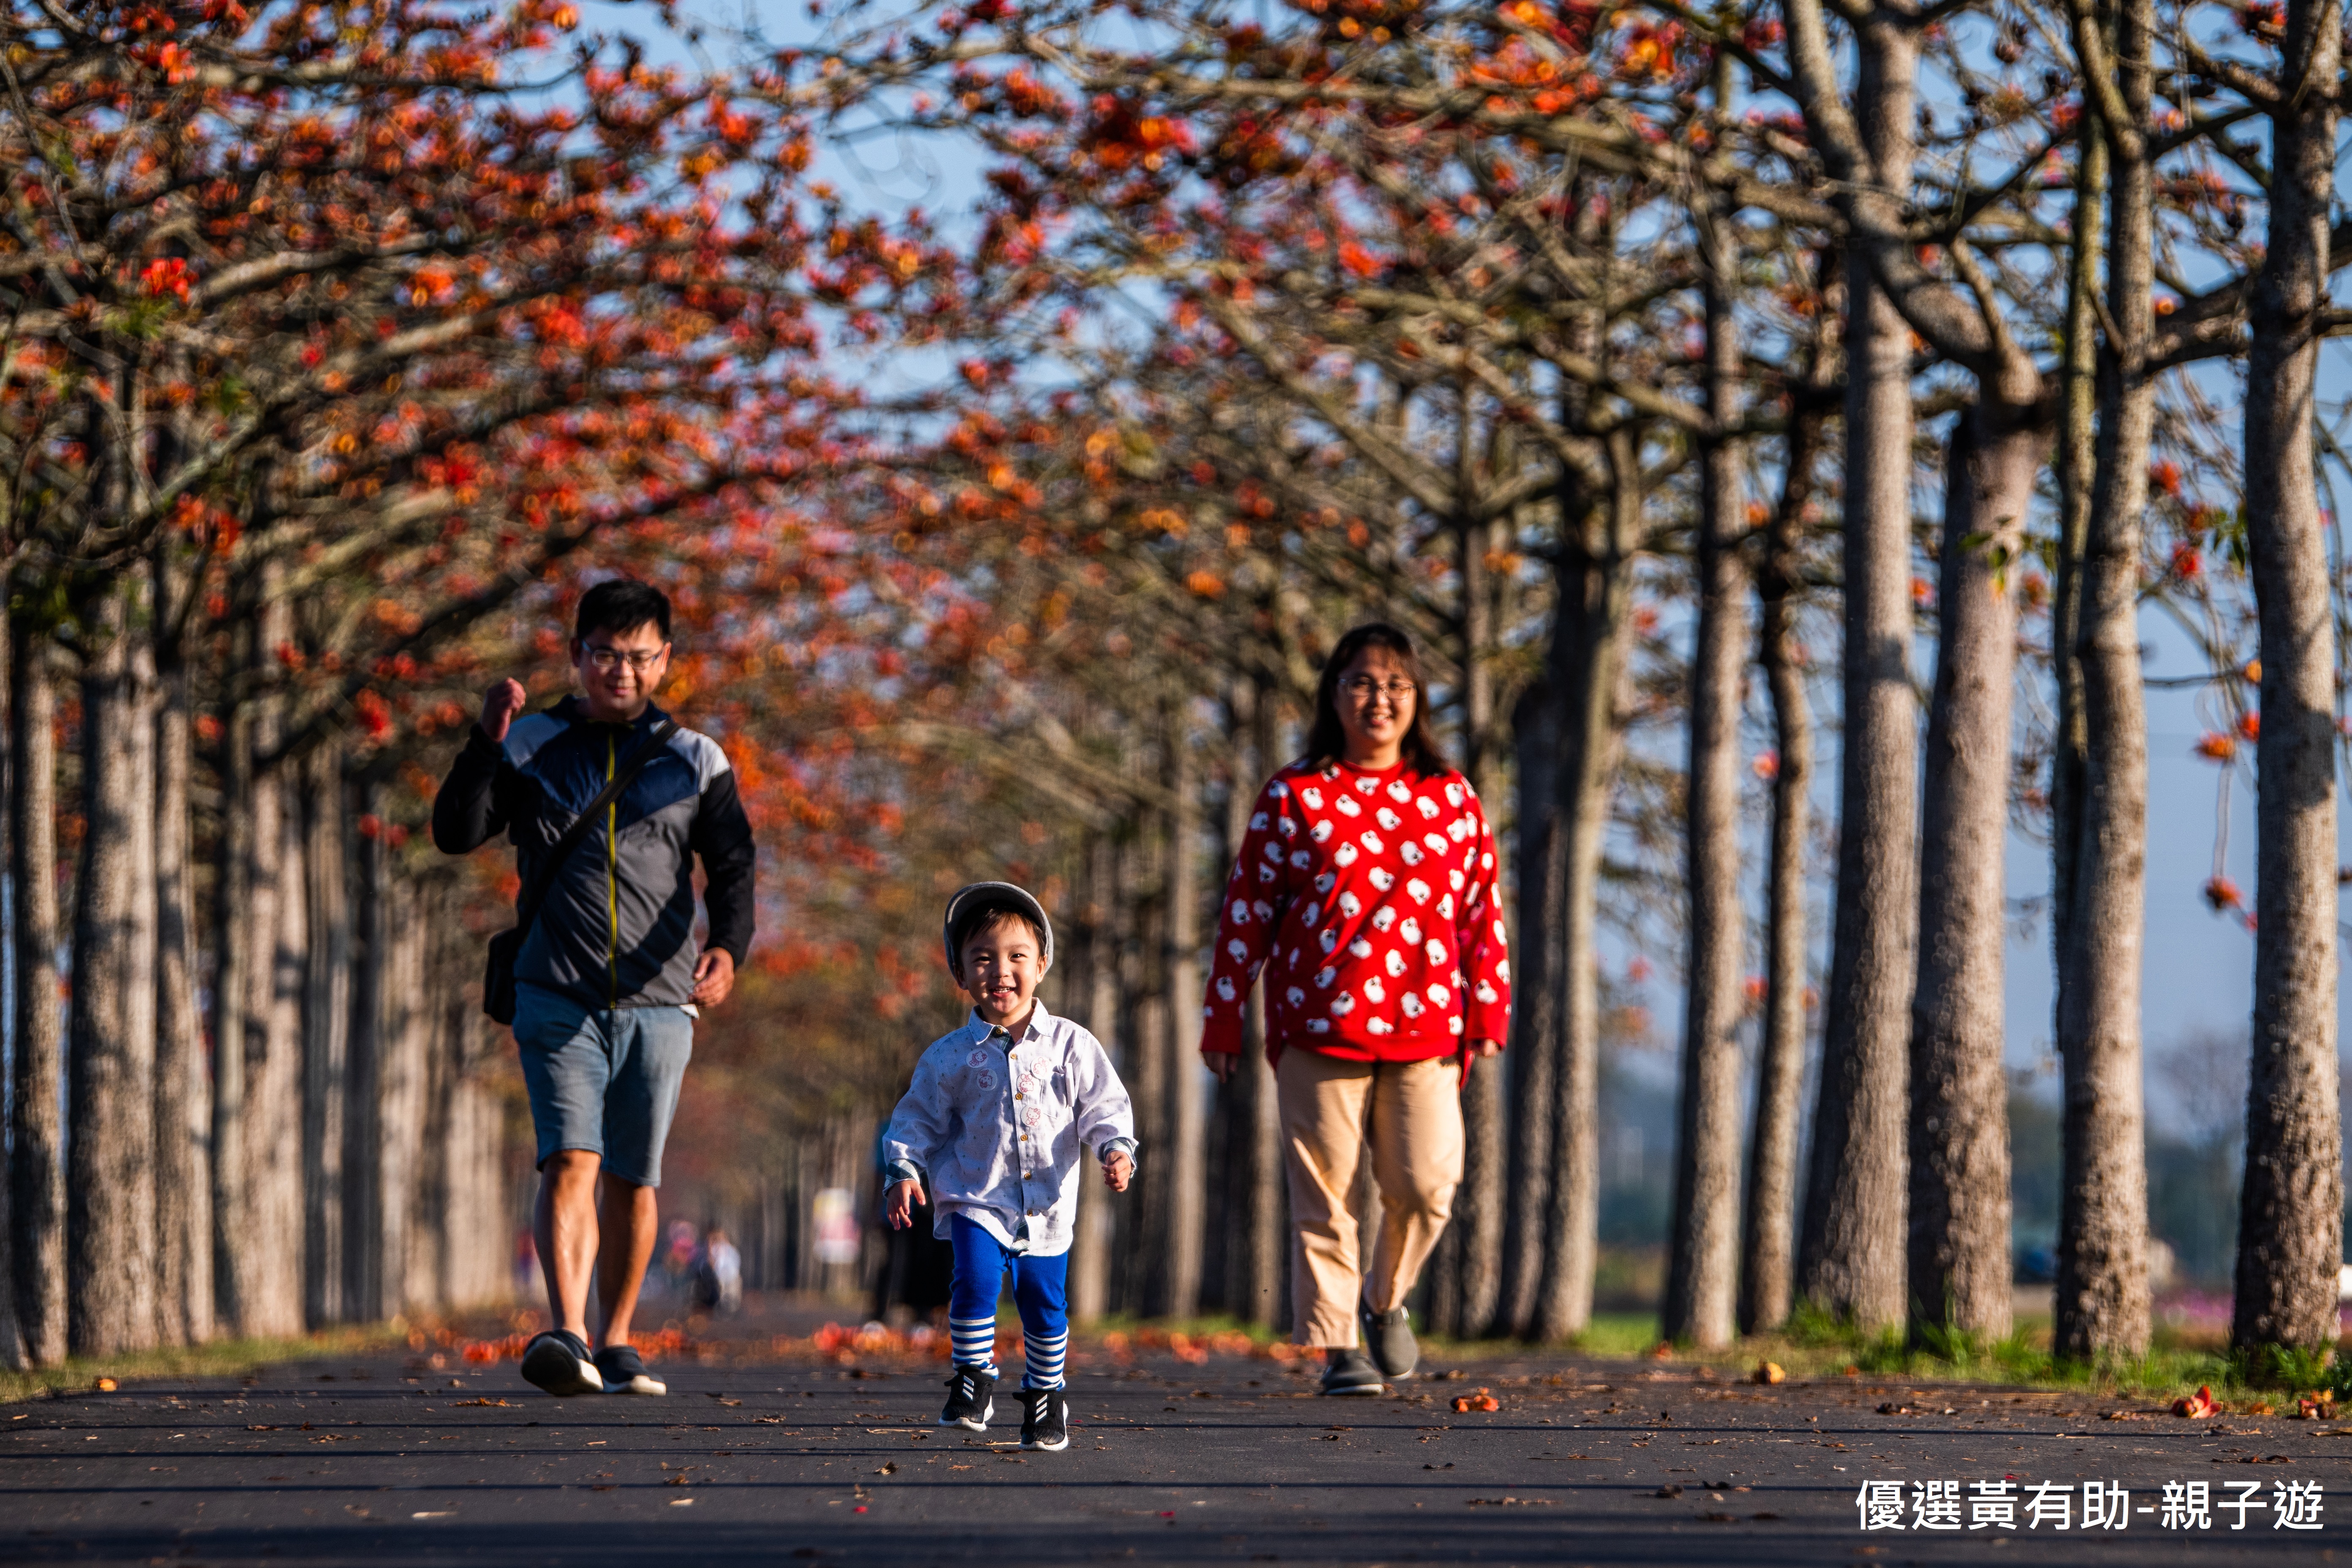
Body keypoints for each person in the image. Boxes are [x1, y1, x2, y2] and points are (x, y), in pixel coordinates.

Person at [432, 577, 755, 1398]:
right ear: (577, 655)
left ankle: (616, 1340)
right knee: (570, 1157)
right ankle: (567, 1329)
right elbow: (456, 832)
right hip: (556, 990)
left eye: (641, 656)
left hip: (661, 1001)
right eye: (606, 654)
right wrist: (483, 741)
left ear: (666, 660)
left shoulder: (696, 760)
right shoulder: (533, 742)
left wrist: (728, 949)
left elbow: (733, 866)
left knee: (633, 1178)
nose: (623, 671)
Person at [1201, 623, 1511, 1395]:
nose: (1379, 700)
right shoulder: (1294, 795)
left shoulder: (1450, 798)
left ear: (1418, 702)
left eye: (1396, 686)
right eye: (1362, 684)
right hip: (1316, 1024)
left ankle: (1385, 1300)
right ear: (1334, 696)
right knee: (1326, 1199)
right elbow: (1247, 911)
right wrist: (1225, 1013)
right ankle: (1341, 1348)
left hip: (1427, 1026)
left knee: (1428, 1183)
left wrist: (1489, 1009)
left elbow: (1481, 912)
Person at [881, 882, 1138, 1452]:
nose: (1001, 971)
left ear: (1041, 965)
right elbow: (916, 1119)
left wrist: (1115, 1148)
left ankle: (1047, 1395)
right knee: (973, 1281)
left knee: (1044, 1303)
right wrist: (904, 1172)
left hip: (1047, 1204)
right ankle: (974, 1377)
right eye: (983, 959)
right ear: (961, 974)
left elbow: (1103, 1105)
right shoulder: (949, 1055)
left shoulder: (1070, 1045)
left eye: (1017, 957)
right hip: (975, 1197)